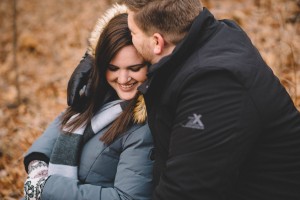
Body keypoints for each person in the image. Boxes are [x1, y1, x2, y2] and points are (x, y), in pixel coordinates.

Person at [67, 0, 300, 199]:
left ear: (157, 42)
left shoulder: (215, 88)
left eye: (133, 34)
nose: (130, 36)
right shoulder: (211, 34)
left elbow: (184, 193)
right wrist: (96, 55)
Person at [23, 4, 154, 200]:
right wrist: (37, 165)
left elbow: (128, 198)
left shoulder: (144, 129)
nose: (123, 78)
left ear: (150, 64)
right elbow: (64, 124)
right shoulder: (99, 95)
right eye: (113, 68)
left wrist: (47, 187)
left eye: (134, 68)